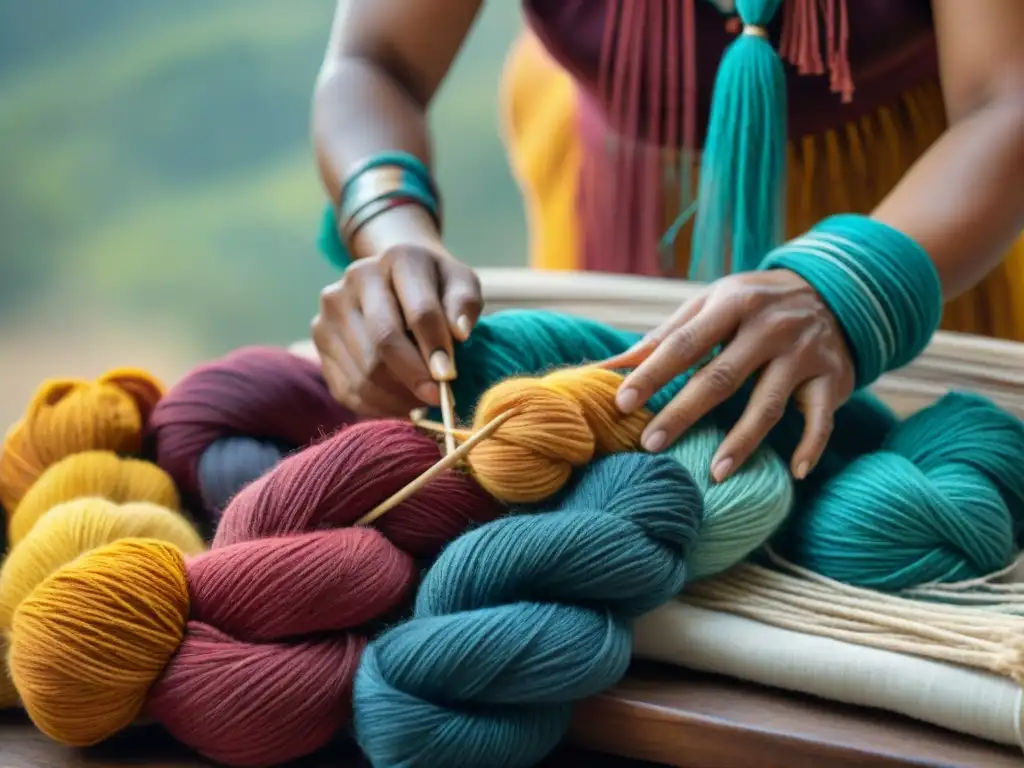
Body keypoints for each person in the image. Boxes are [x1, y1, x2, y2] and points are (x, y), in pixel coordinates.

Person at [310, 0, 1024, 483]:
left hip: (926, 211)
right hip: (614, 189)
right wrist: (391, 232)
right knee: (609, 434)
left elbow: (1006, 98)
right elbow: (375, 62)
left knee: (926, 459)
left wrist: (851, 288)